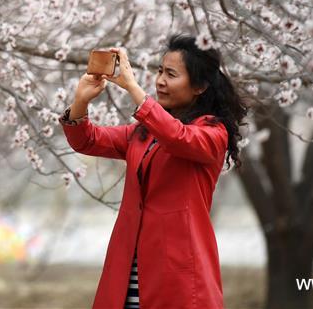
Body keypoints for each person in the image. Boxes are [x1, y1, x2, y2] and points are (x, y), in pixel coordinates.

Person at [59, 34, 248, 309]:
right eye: (160, 71)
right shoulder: (142, 134)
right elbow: (85, 140)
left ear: (200, 86)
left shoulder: (212, 133)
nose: (160, 81)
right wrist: (80, 101)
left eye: (171, 74)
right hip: (127, 272)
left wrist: (133, 88)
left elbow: (178, 137)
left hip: (178, 275)